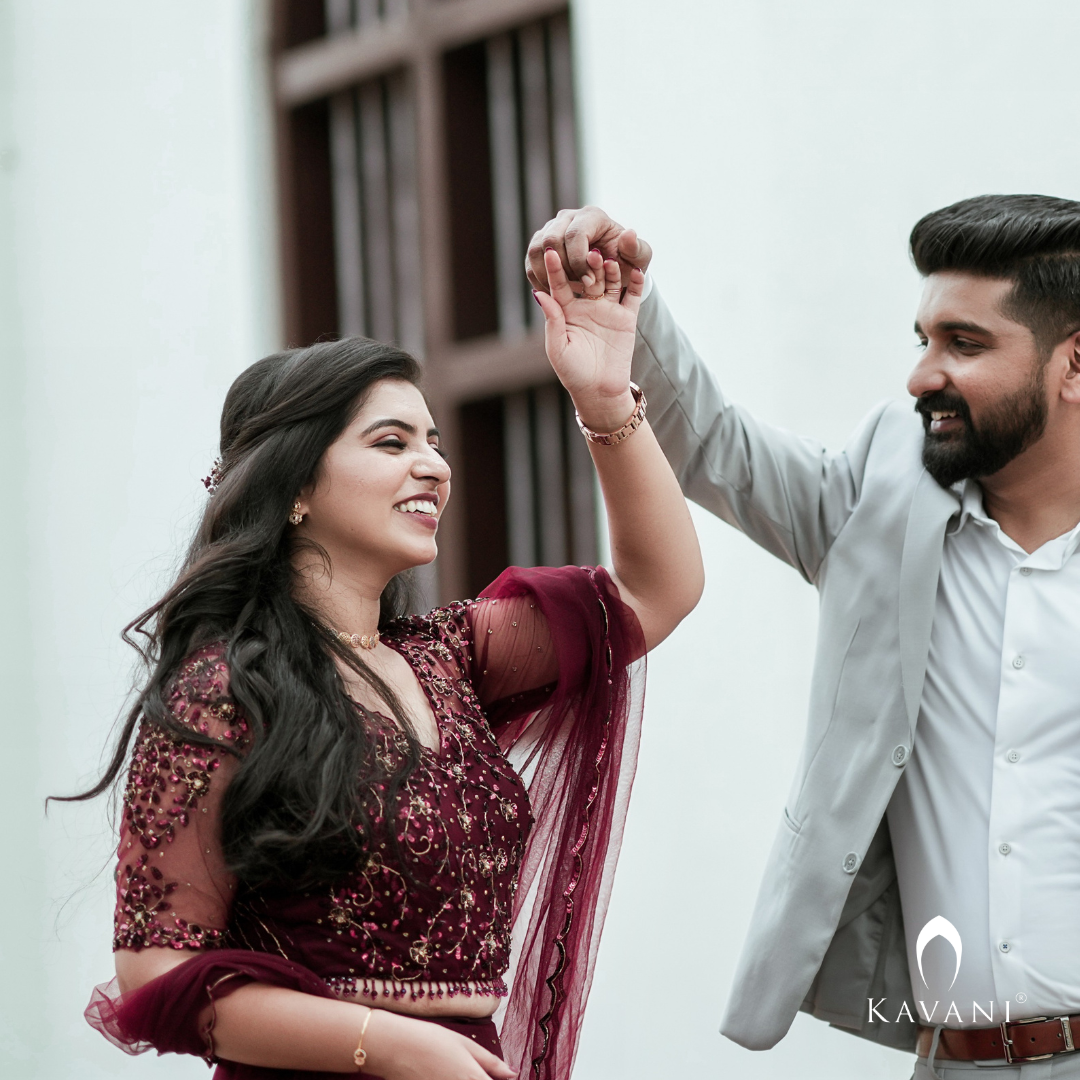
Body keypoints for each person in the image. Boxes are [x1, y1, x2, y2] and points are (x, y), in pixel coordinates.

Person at [64, 252, 703, 1079]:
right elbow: (157, 971)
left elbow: (657, 592)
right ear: (294, 486)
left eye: (434, 443)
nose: (433, 465)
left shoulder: (451, 660)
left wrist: (605, 398)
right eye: (391, 441)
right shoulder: (223, 691)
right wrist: (389, 1044)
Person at [528, 195, 1080, 1079]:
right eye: (923, 339)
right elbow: (718, 452)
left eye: (964, 345)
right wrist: (627, 330)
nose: (920, 376)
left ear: (1074, 364)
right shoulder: (887, 493)